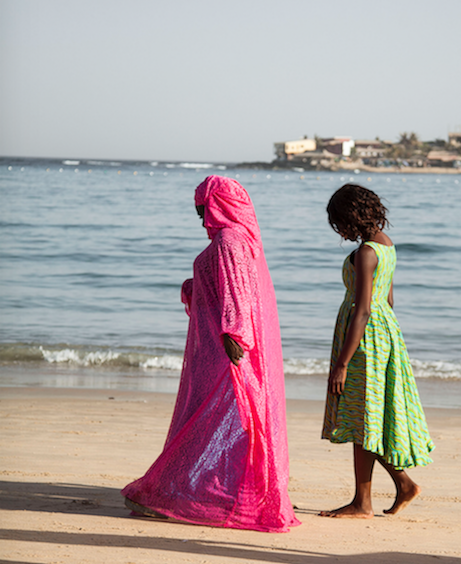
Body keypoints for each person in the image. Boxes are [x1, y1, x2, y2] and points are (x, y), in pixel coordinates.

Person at [122, 176, 300, 533]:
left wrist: (235, 333)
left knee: (209, 417)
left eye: (203, 207)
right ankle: (211, 488)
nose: (200, 215)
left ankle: (175, 491)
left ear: (218, 204)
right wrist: (195, 288)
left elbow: (238, 294)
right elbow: (235, 287)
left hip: (225, 349)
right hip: (221, 345)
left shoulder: (228, 241)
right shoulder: (240, 238)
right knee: (221, 418)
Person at [321, 183, 434, 518]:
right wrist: (389, 342)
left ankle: (363, 502)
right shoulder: (386, 245)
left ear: (351, 216)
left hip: (364, 341)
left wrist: (343, 362)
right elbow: (389, 301)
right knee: (367, 418)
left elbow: (363, 309)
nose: (339, 230)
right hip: (384, 336)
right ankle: (400, 486)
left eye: (339, 222)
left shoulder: (365, 253)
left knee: (361, 418)